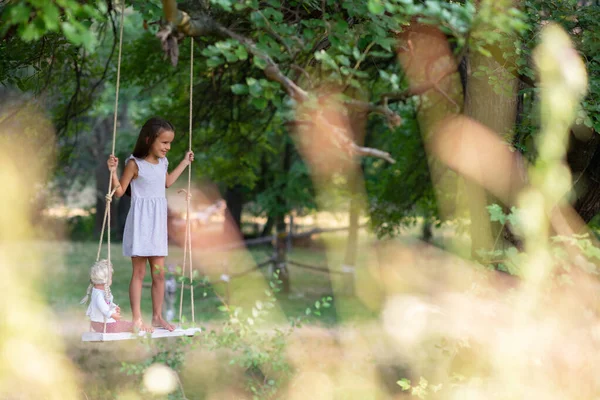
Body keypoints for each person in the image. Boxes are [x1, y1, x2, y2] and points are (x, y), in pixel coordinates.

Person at [107, 117, 194, 332]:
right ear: (149, 140)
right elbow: (119, 192)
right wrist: (112, 171)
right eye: (164, 142)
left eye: (170, 142)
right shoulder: (134, 164)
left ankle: (157, 317)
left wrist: (184, 162)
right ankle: (137, 319)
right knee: (139, 273)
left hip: (157, 223)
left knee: (159, 273)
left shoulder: (163, 163)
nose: (168, 147)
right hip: (140, 222)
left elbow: (166, 182)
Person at [80, 260, 134, 333]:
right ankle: (136, 328)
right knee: (129, 326)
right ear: (106, 280)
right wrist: (112, 315)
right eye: (111, 277)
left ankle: (134, 328)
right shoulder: (98, 294)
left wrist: (114, 308)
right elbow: (103, 307)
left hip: (99, 324)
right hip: (102, 325)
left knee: (126, 324)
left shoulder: (98, 291)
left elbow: (107, 303)